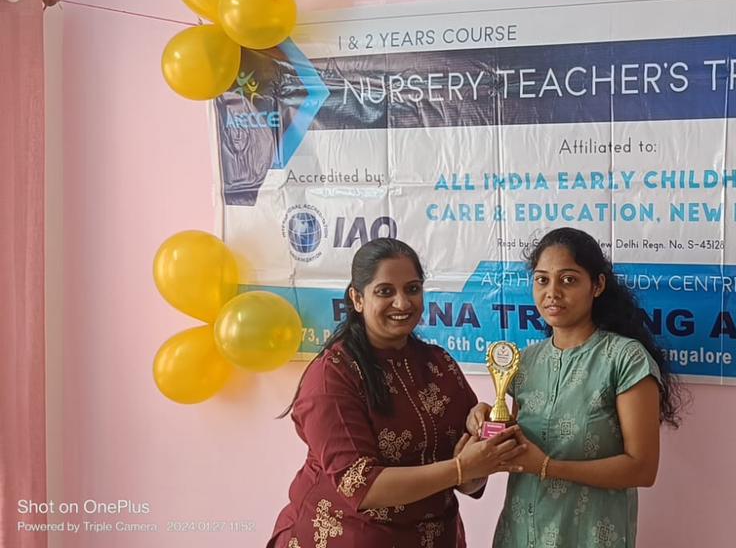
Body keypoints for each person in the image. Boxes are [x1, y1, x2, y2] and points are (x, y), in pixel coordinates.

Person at [269, 238, 523, 548]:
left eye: (412, 289)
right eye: (385, 291)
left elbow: (469, 481)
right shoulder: (332, 376)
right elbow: (360, 486)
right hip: (346, 537)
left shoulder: (438, 363)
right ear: (357, 299)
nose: (402, 303)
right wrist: (460, 469)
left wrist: (482, 436)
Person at [467, 227, 685, 548]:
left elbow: (642, 468)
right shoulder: (525, 362)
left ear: (597, 285)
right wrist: (487, 423)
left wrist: (547, 467)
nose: (552, 292)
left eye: (568, 280)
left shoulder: (625, 359)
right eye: (542, 280)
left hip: (589, 535)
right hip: (520, 533)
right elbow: (517, 449)